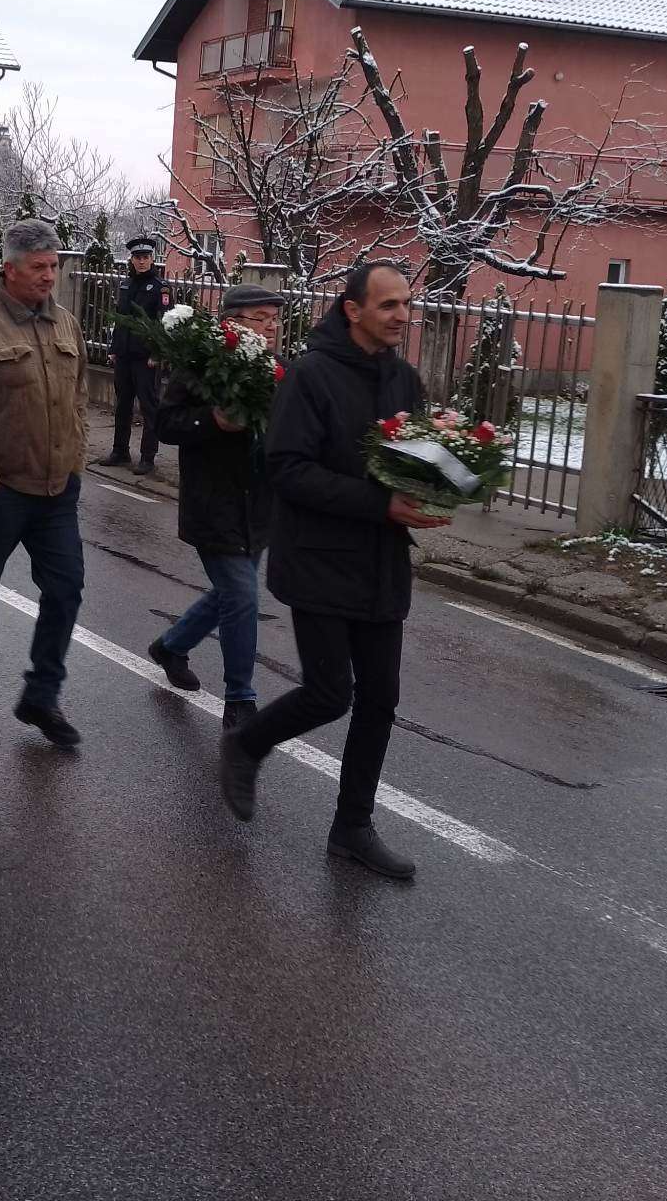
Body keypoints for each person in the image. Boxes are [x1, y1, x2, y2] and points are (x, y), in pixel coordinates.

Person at [218, 262, 450, 881]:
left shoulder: (403, 378)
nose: (402, 315)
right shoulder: (310, 375)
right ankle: (248, 742)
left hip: (381, 563)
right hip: (319, 560)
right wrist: (382, 504)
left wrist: (449, 477)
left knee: (380, 700)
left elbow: (414, 456)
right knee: (329, 694)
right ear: (352, 310)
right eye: (388, 305)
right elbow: (287, 470)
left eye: (406, 303)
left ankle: (352, 828)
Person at [0, 218, 89, 747]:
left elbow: (77, 394)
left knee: (66, 588)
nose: (49, 276)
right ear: (9, 269)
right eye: (39, 268)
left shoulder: (66, 323)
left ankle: (41, 695)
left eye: (54, 266)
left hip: (57, 490)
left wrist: (75, 457)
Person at [147, 284, 284, 730]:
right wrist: (215, 421)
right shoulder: (202, 364)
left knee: (230, 593)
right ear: (234, 322)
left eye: (275, 319)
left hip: (260, 506)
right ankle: (240, 698)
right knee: (243, 595)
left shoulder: (279, 369)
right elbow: (165, 423)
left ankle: (171, 646)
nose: (271, 327)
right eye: (261, 318)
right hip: (214, 505)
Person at [95, 236, 172, 477]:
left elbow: (164, 323)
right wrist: (114, 350)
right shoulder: (126, 285)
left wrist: (158, 354)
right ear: (132, 259)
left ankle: (148, 457)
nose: (141, 261)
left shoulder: (161, 288)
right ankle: (120, 451)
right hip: (125, 356)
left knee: (149, 407)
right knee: (122, 406)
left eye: (145, 257)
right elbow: (120, 320)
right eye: (137, 258)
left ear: (152, 259)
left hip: (146, 359)